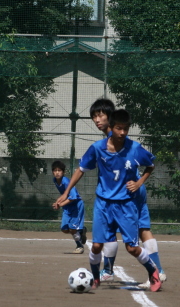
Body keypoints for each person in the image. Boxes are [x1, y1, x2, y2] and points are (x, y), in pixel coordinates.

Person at [55, 109, 161, 291]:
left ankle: (153, 271)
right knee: (96, 246)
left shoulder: (134, 148)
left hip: (126, 204)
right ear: (111, 127)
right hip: (103, 203)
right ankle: (95, 278)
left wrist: (139, 182)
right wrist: (66, 192)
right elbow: (81, 169)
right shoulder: (98, 148)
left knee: (132, 248)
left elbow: (150, 165)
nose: (123, 132)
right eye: (119, 128)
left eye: (126, 129)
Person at [89, 98, 166, 288]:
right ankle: (108, 271)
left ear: (110, 118)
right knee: (114, 231)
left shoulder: (117, 136)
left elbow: (147, 163)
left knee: (140, 230)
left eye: (100, 115)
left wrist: (138, 183)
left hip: (130, 191)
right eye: (94, 116)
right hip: (120, 192)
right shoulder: (105, 142)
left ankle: (157, 271)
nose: (97, 120)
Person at [51, 160, 87, 254]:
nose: (57, 172)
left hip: (76, 205)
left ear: (63, 172)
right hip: (67, 207)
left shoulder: (66, 181)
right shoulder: (55, 180)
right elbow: (64, 195)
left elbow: (73, 197)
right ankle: (81, 231)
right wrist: (58, 202)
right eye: (55, 170)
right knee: (64, 229)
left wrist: (60, 204)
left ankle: (79, 246)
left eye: (59, 170)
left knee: (72, 229)